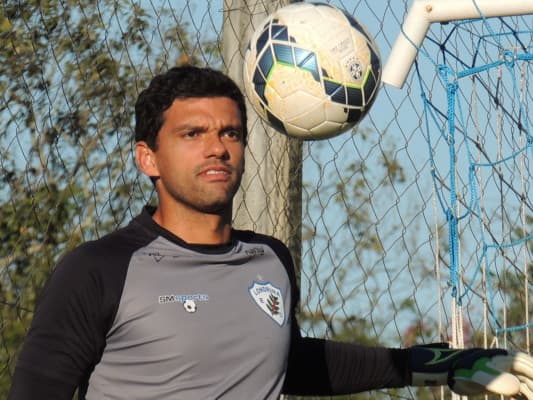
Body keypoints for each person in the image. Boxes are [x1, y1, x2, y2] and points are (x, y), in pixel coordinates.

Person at [8, 65, 533, 400]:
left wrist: (433, 362)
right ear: (148, 157)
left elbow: (288, 361)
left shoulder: (269, 260)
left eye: (229, 133)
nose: (217, 148)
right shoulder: (100, 269)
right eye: (193, 134)